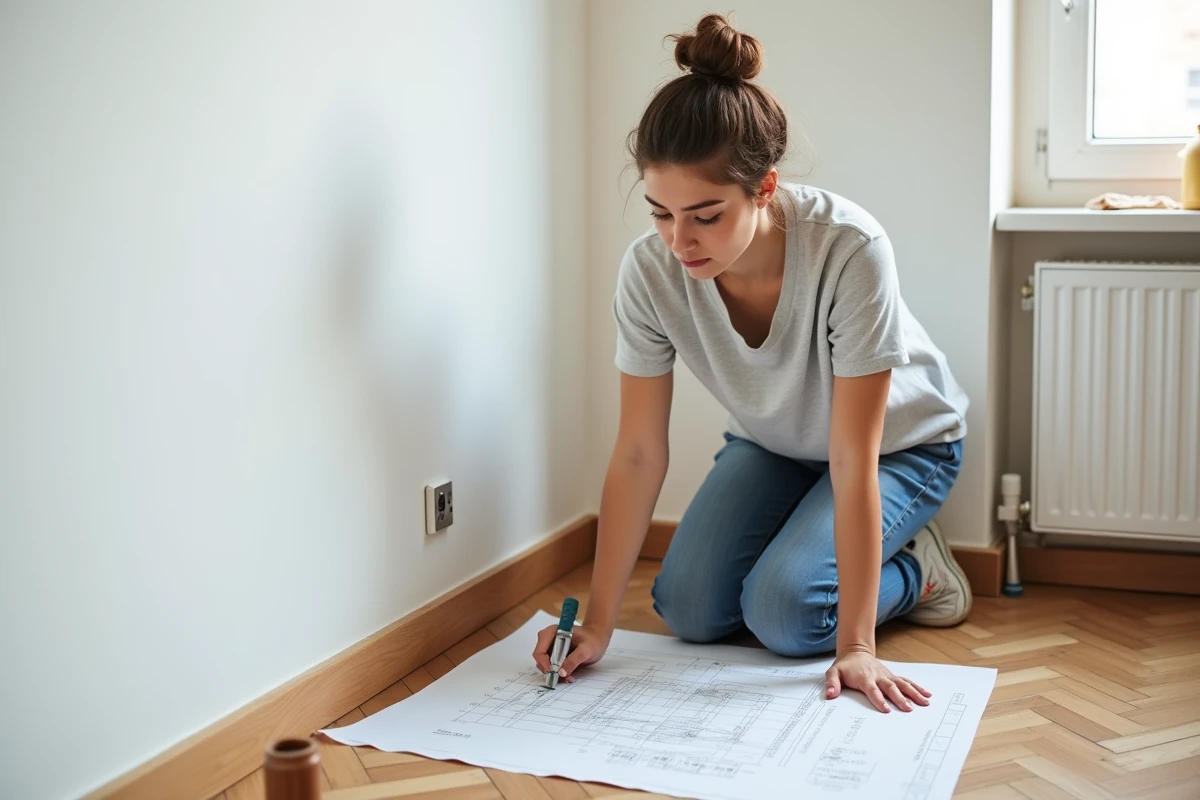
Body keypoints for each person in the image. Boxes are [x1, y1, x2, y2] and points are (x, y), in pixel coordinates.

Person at [532, 13, 972, 714]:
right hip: (776, 444)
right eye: (660, 213)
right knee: (688, 609)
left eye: (705, 216)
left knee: (789, 616)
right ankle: (811, 542)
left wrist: (857, 646)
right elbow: (639, 452)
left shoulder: (850, 249)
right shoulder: (648, 272)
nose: (679, 242)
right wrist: (598, 621)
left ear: (764, 188)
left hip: (899, 448)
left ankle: (921, 573)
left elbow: (853, 456)